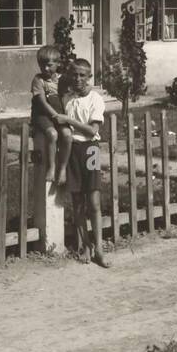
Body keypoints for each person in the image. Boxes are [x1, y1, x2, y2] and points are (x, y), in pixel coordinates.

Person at [57, 59, 110, 267]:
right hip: (73, 152)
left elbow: (92, 131)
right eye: (75, 75)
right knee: (78, 203)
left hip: (91, 150)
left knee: (94, 202)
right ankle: (85, 245)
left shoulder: (95, 99)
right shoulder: (67, 98)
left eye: (82, 75)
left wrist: (69, 121)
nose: (78, 79)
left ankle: (100, 248)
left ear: (89, 77)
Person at [30, 45, 72, 186]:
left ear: (58, 64)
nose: (45, 69)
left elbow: (67, 98)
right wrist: (55, 116)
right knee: (52, 135)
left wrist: (65, 116)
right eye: (42, 65)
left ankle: (63, 168)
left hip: (59, 114)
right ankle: (52, 167)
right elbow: (42, 102)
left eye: (49, 65)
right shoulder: (39, 80)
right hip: (43, 115)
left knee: (67, 135)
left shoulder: (63, 79)